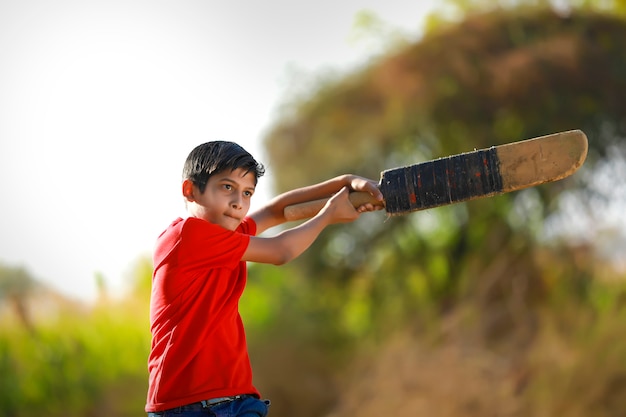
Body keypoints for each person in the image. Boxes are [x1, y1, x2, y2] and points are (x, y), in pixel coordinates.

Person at [146, 141, 383, 417]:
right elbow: (281, 250)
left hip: (237, 398)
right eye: (227, 188)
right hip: (186, 406)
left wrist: (345, 183)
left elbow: (276, 211)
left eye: (247, 193)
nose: (238, 203)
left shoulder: (226, 234)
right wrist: (328, 215)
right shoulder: (187, 236)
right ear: (191, 190)